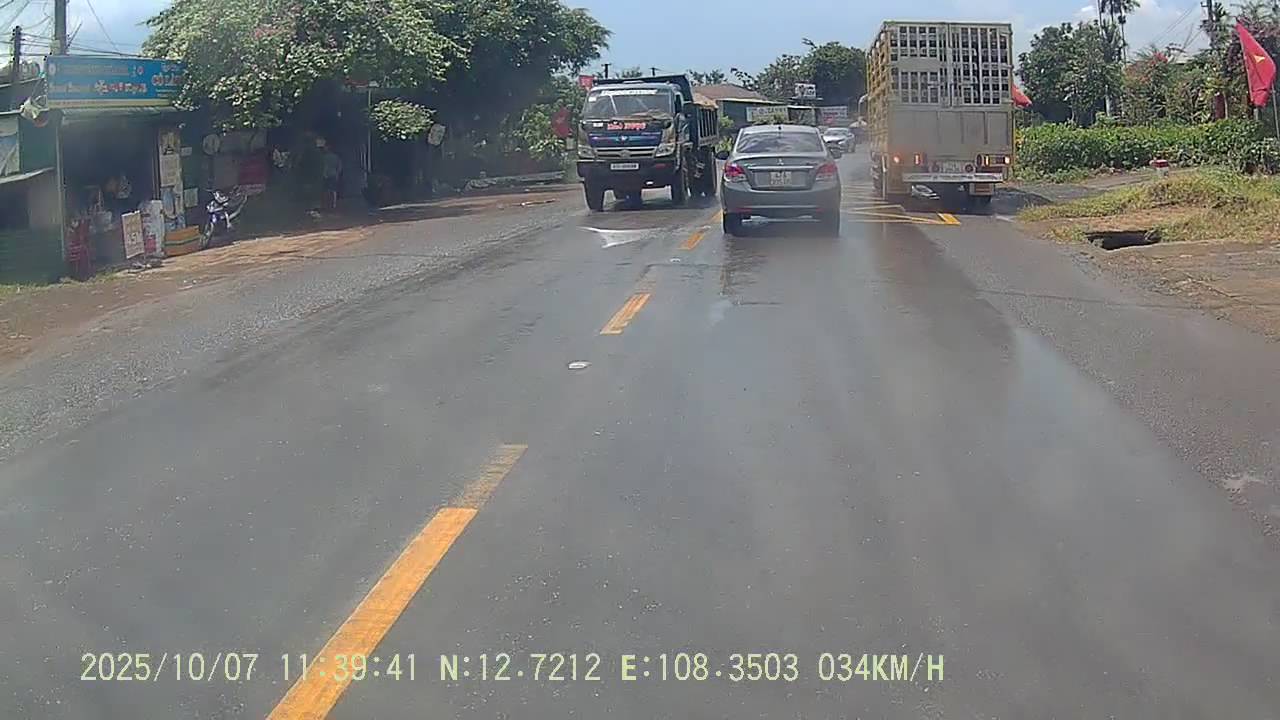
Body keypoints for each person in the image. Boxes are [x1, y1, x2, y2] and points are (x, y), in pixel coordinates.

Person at [321, 142, 343, 210]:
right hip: (334, 174)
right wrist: (337, 174)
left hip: (326, 175)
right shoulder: (336, 157)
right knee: (333, 190)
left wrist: (324, 174)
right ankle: (334, 204)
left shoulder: (324, 157)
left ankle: (326, 204)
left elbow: (323, 167)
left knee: (326, 190)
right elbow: (340, 166)